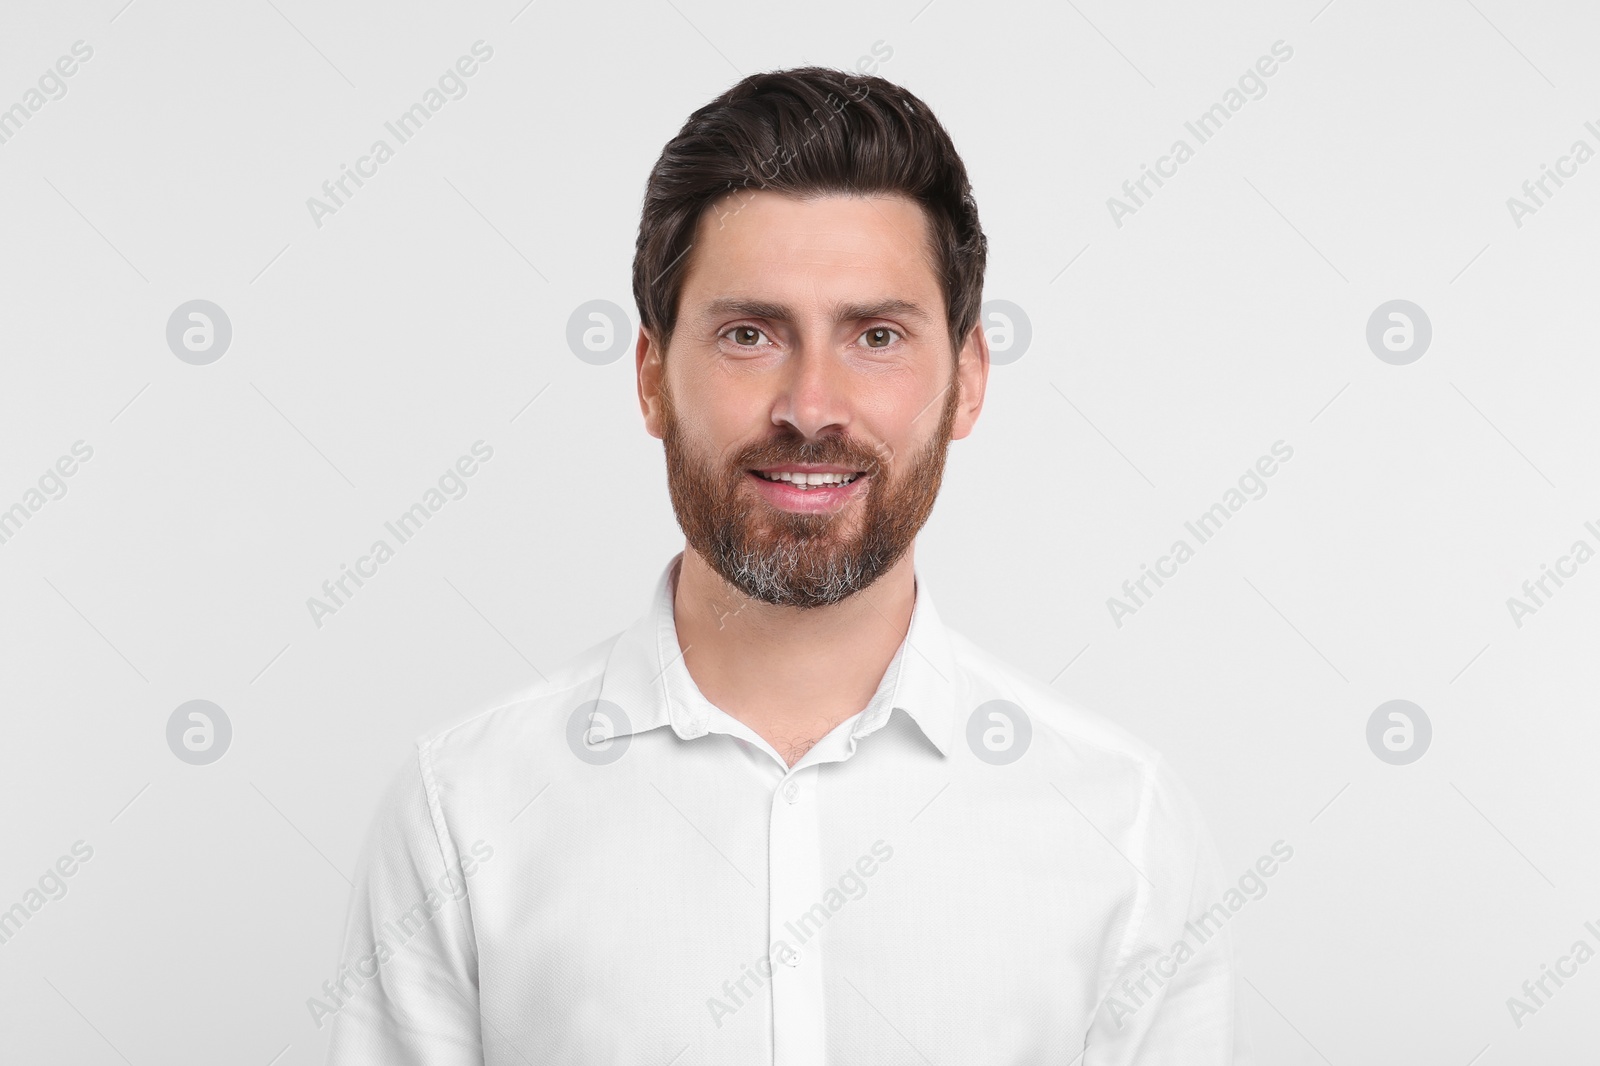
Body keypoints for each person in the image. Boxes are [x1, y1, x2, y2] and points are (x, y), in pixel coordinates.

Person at [324, 65, 1252, 1065]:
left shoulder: (1123, 827)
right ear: (650, 379)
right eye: (747, 334)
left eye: (878, 335)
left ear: (967, 380)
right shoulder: (463, 813)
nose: (810, 405)